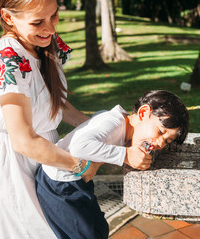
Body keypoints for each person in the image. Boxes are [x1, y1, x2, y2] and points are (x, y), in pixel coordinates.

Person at [0, 0, 149, 237]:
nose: (51, 29)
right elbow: (23, 140)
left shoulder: (45, 43)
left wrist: (105, 129)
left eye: (54, 16)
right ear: (7, 18)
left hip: (47, 149)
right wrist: (81, 166)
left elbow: (53, 102)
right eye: (38, 22)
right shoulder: (6, 56)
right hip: (17, 159)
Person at [35, 90, 189, 239]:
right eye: (161, 132)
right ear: (143, 113)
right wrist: (126, 155)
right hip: (58, 184)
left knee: (100, 229)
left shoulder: (119, 121)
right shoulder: (114, 122)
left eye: (167, 141)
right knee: (85, 235)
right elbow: (79, 146)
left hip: (77, 181)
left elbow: (96, 119)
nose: (160, 143)